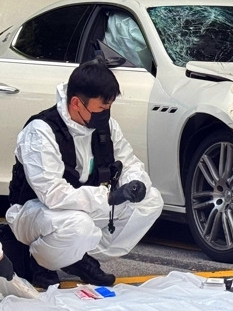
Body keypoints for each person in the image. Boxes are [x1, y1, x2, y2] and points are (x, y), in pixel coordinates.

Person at [6, 57, 164, 289]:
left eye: (109, 108)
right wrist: (108, 198)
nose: (106, 114)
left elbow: (128, 161)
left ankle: (76, 257)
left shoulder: (105, 127)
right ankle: (41, 261)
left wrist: (134, 184)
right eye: (102, 108)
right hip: (34, 212)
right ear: (77, 103)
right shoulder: (41, 131)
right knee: (77, 225)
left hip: (81, 207)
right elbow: (52, 194)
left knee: (151, 200)